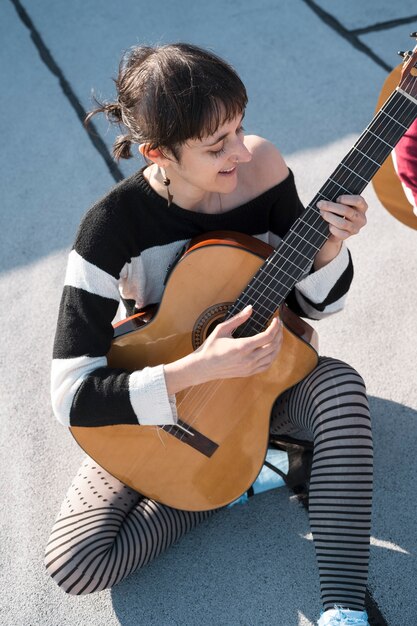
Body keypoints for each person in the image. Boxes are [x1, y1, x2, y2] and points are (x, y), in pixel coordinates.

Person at [45, 43, 373, 626]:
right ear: (158, 154)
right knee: (76, 564)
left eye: (240, 128)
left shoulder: (262, 168)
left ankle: (343, 607)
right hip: (167, 398)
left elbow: (312, 309)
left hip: (265, 382)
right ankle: (248, 474)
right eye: (215, 145)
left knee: (343, 390)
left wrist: (328, 248)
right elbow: (71, 394)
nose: (240, 153)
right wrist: (200, 368)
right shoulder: (110, 228)